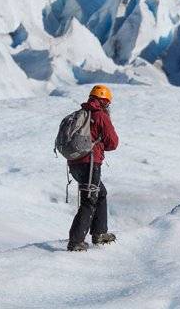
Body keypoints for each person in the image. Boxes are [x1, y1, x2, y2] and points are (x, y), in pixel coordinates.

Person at [67, 85, 119, 252]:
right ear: (104, 101)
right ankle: (76, 241)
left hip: (74, 164)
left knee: (100, 193)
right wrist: (100, 143)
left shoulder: (80, 114)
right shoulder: (100, 115)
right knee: (89, 200)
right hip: (90, 163)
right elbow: (113, 142)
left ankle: (99, 232)